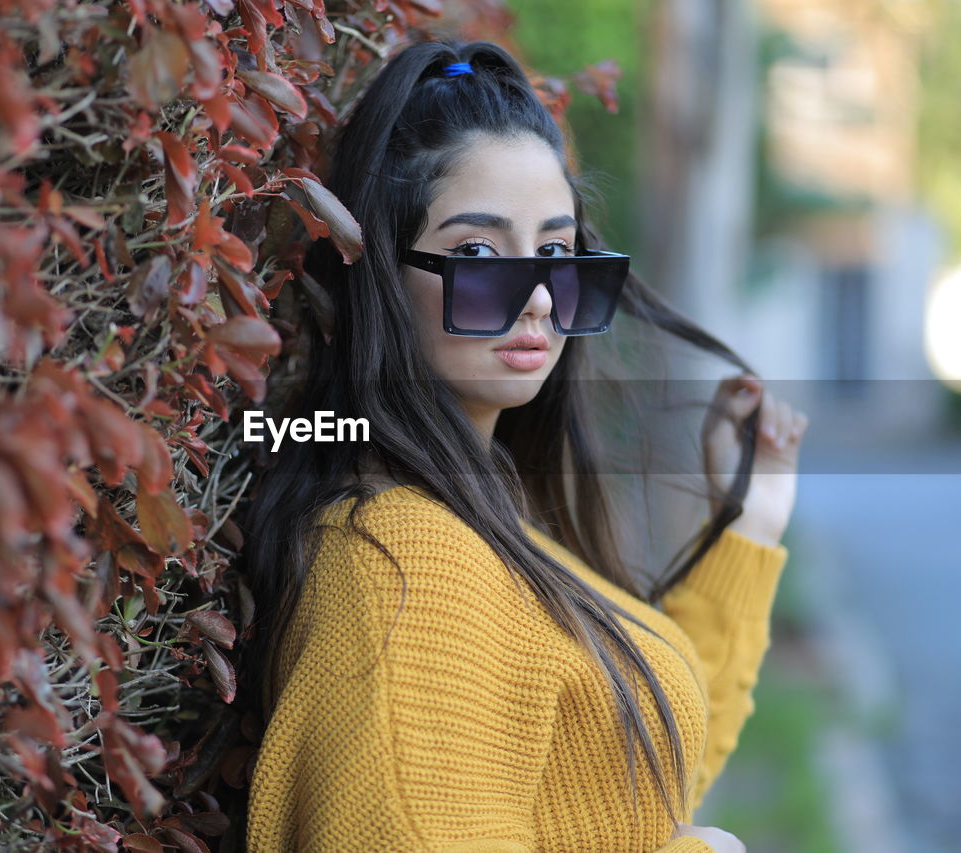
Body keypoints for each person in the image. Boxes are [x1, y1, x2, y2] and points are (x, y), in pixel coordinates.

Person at [236, 37, 808, 853]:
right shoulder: (400, 559)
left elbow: (625, 779)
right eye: (476, 252)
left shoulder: (484, 514)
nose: (538, 297)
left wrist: (751, 523)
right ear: (377, 271)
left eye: (553, 251)